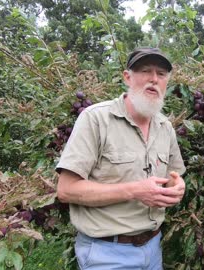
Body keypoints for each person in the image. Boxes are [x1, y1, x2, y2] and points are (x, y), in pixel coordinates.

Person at [56, 47, 186, 270]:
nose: (154, 79)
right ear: (127, 77)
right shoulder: (95, 119)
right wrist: (135, 190)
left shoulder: (165, 127)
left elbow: (173, 176)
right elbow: (66, 190)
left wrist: (177, 187)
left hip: (153, 248)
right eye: (146, 71)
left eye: (161, 74)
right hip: (106, 254)